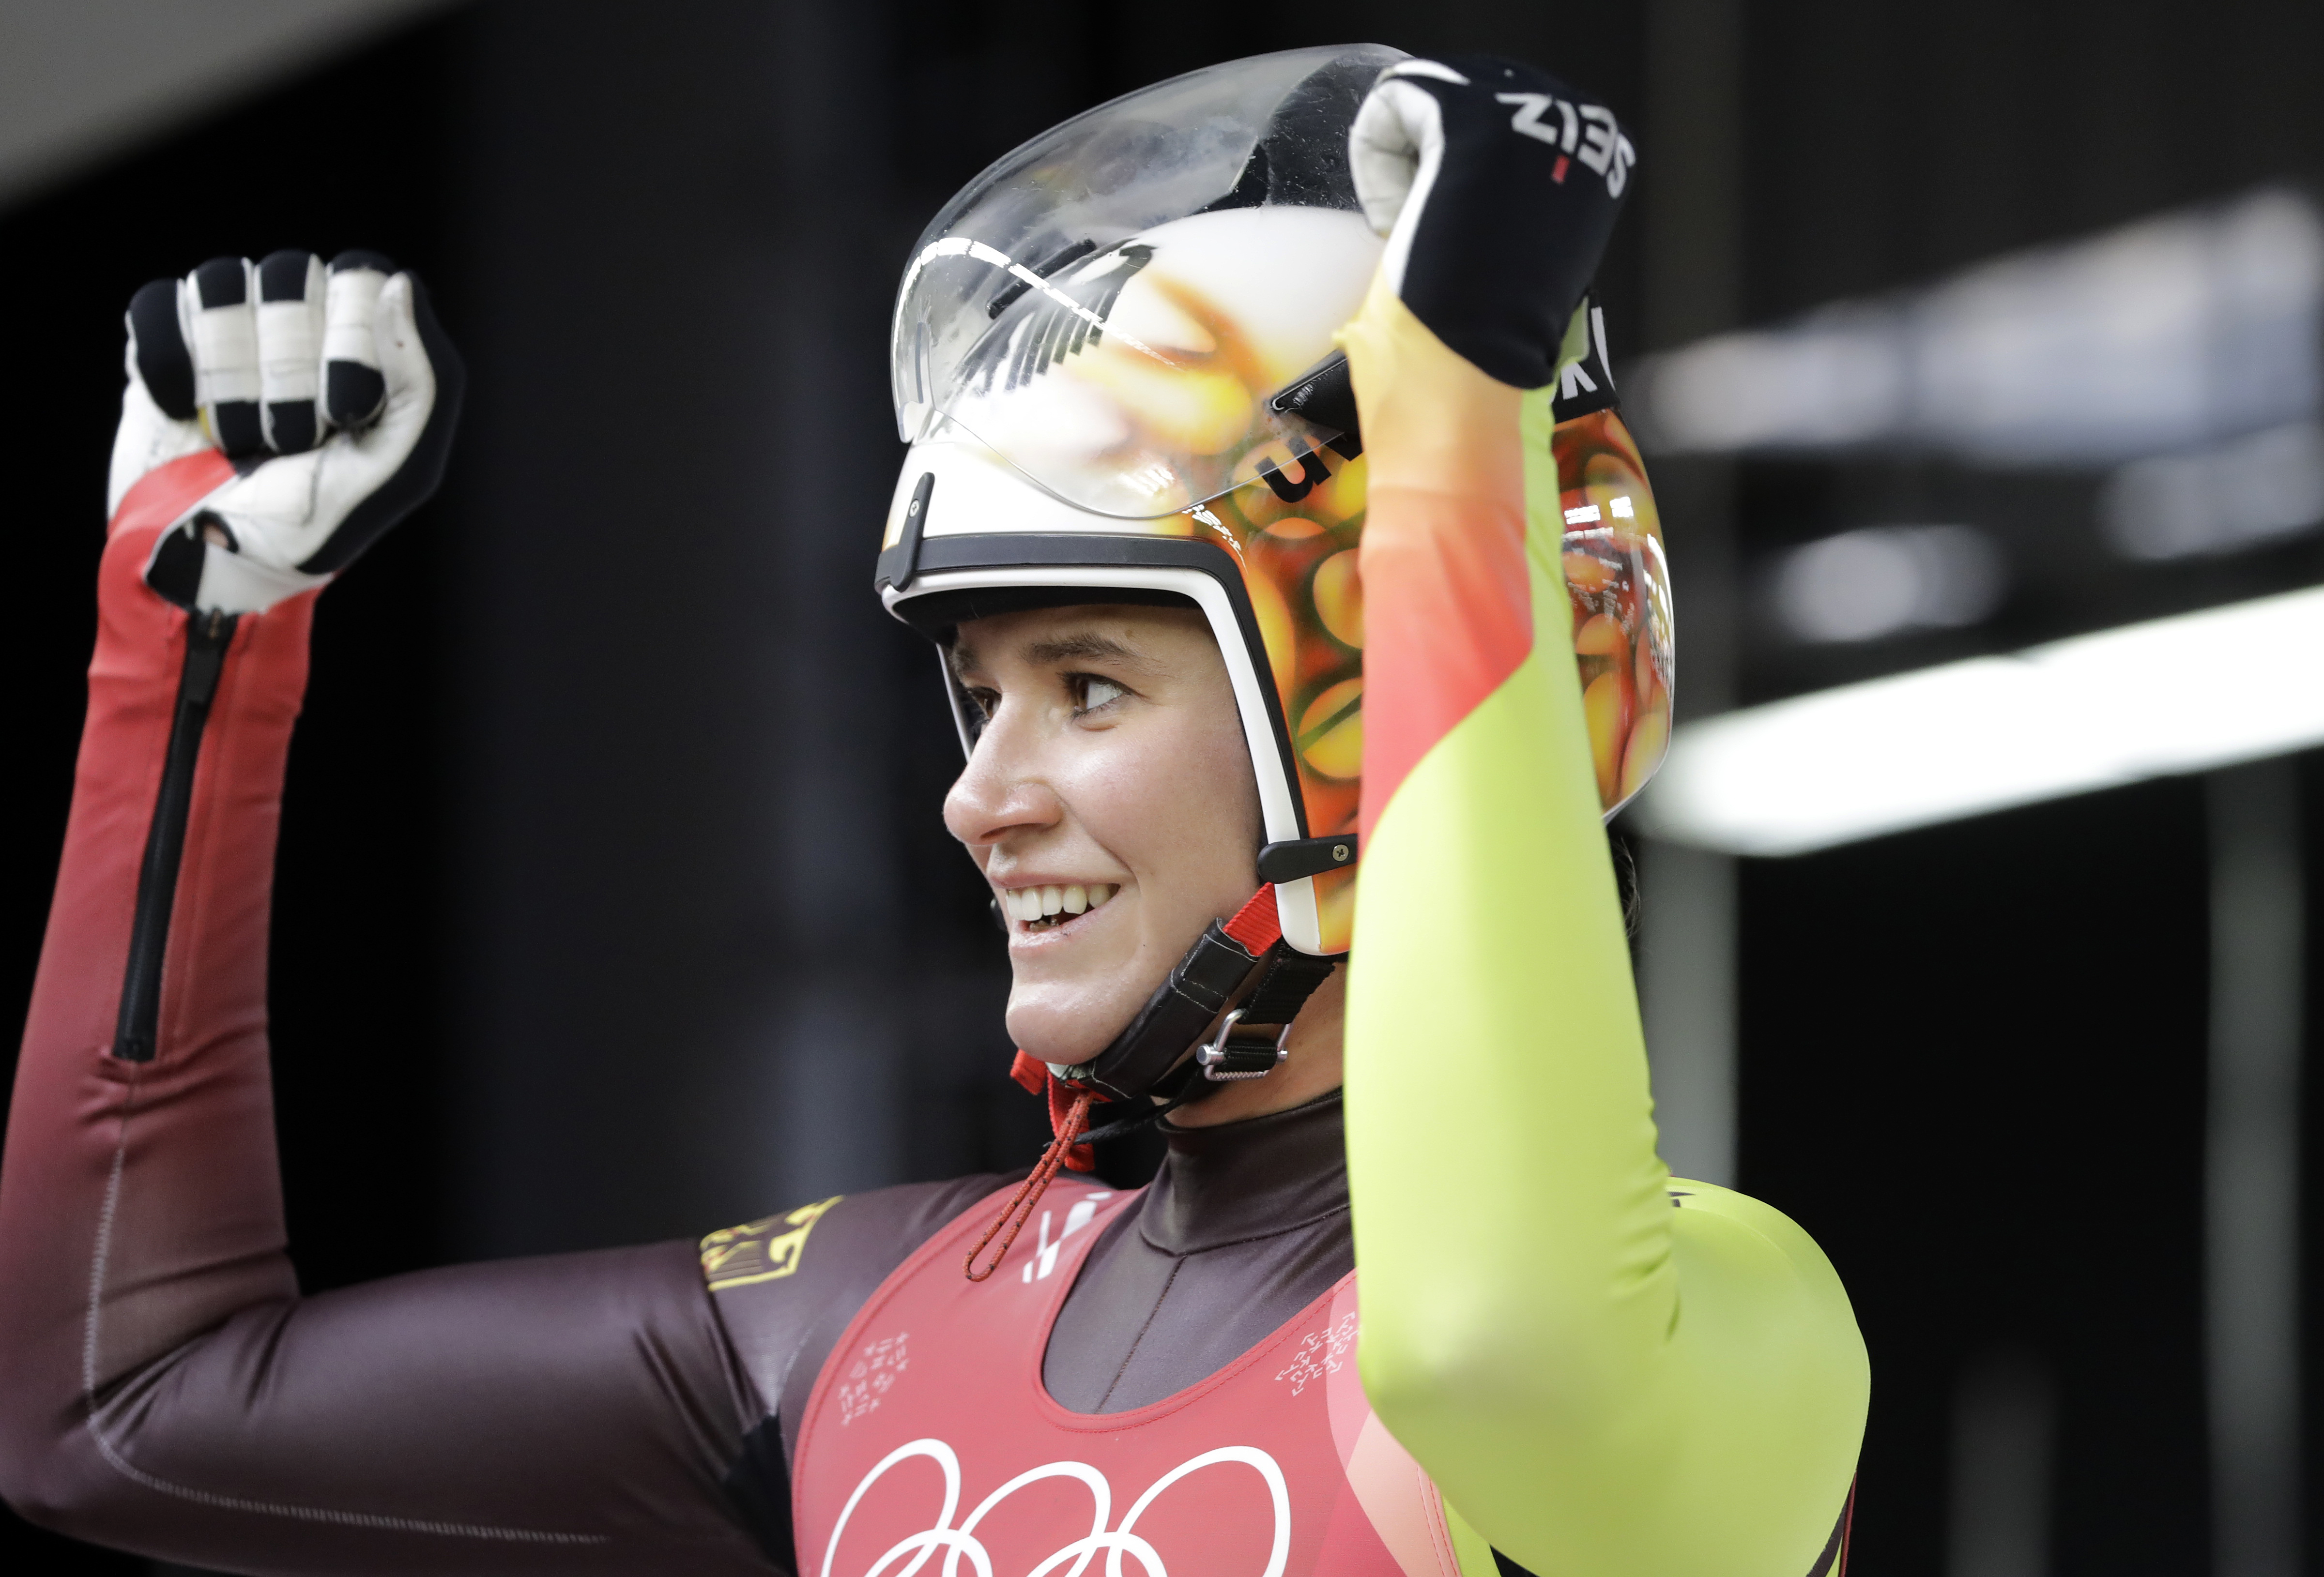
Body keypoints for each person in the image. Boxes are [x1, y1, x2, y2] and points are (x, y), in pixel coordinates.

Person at [0, 44, 1867, 1577]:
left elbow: (1496, 1341)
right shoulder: (868, 1320)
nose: (979, 798)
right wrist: (188, 646)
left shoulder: (1738, 1322)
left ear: (1365, 719)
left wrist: (1459, 432)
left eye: (1090, 687)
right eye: (979, 699)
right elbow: (121, 1412)